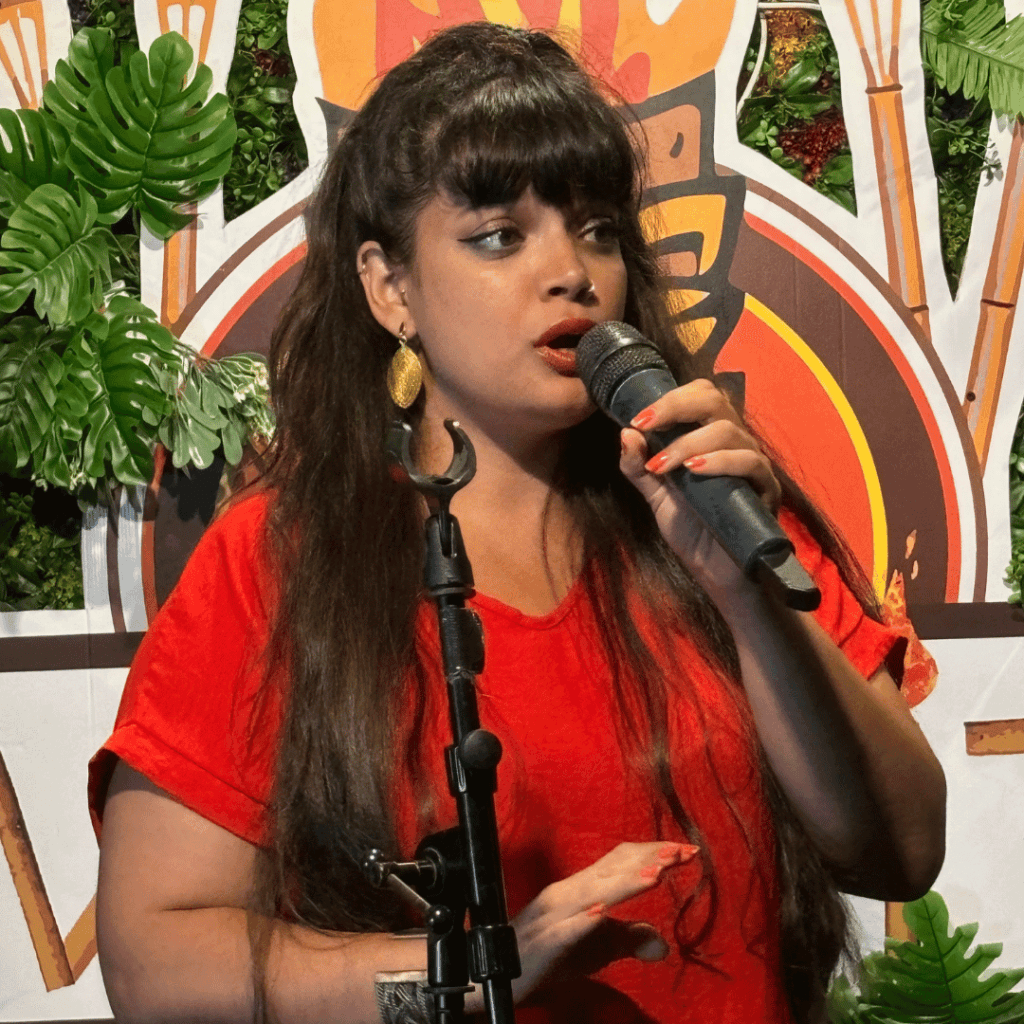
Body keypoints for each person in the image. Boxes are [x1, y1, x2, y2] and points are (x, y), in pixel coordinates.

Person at [88, 21, 946, 1024]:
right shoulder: (278, 559)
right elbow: (155, 963)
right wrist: (462, 971)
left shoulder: (718, 497)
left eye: (595, 230)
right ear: (389, 285)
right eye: (499, 235)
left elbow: (901, 850)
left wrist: (745, 596)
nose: (570, 272)